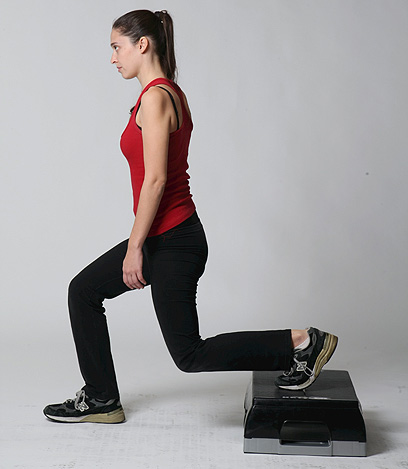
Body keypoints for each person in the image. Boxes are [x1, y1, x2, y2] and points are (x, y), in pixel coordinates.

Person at [43, 9, 338, 424]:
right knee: (84, 290)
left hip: (174, 240)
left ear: (142, 44)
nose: (112, 58)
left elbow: (156, 180)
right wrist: (141, 244)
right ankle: (101, 398)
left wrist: (134, 248)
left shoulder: (157, 97)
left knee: (189, 354)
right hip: (164, 237)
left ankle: (303, 342)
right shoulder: (166, 93)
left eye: (117, 47)